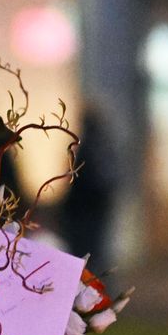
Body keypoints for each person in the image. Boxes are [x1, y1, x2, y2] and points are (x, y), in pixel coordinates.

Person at [61, 107, 118, 271]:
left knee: (87, 258)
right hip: (93, 214)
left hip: (85, 215)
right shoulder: (102, 145)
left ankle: (92, 290)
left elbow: (83, 182)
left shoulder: (91, 148)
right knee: (94, 256)